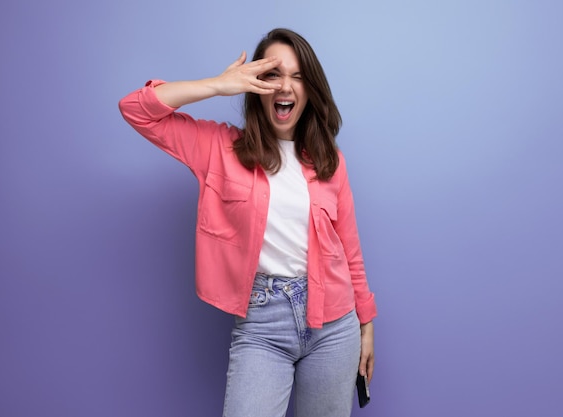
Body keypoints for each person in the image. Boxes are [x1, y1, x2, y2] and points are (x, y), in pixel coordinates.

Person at [119, 27, 377, 417]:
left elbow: (350, 249)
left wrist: (366, 324)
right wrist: (218, 85)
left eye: (297, 76)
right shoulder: (219, 148)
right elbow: (137, 109)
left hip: (335, 324)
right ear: (256, 83)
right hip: (262, 323)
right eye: (273, 74)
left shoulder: (330, 161)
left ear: (311, 90)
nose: (284, 87)